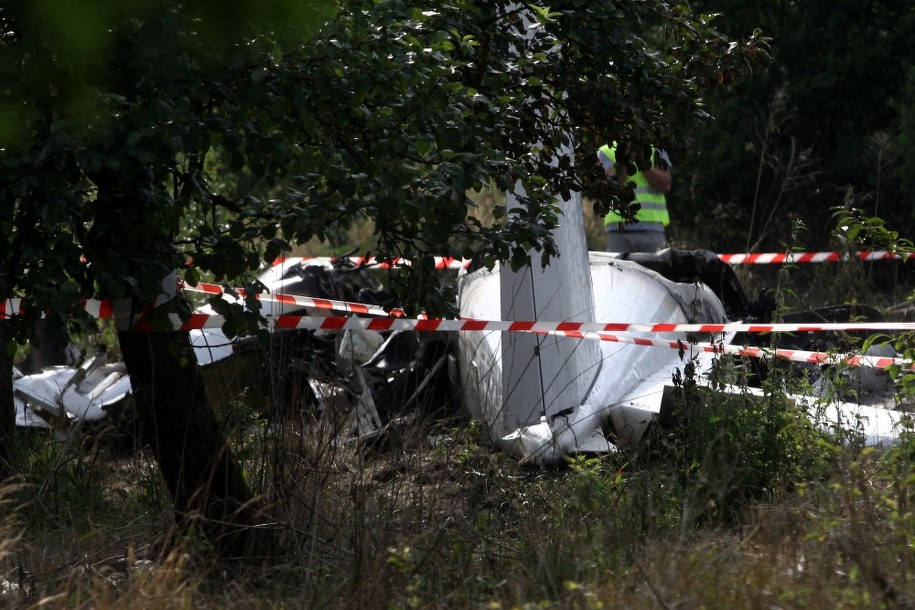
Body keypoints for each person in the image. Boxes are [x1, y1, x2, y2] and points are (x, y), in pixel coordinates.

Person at [597, 142, 672, 252]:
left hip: (651, 227)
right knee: (616, 269)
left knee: (653, 269)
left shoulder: (657, 150)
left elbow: (665, 185)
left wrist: (641, 160)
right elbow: (608, 185)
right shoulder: (605, 151)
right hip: (618, 228)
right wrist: (628, 160)